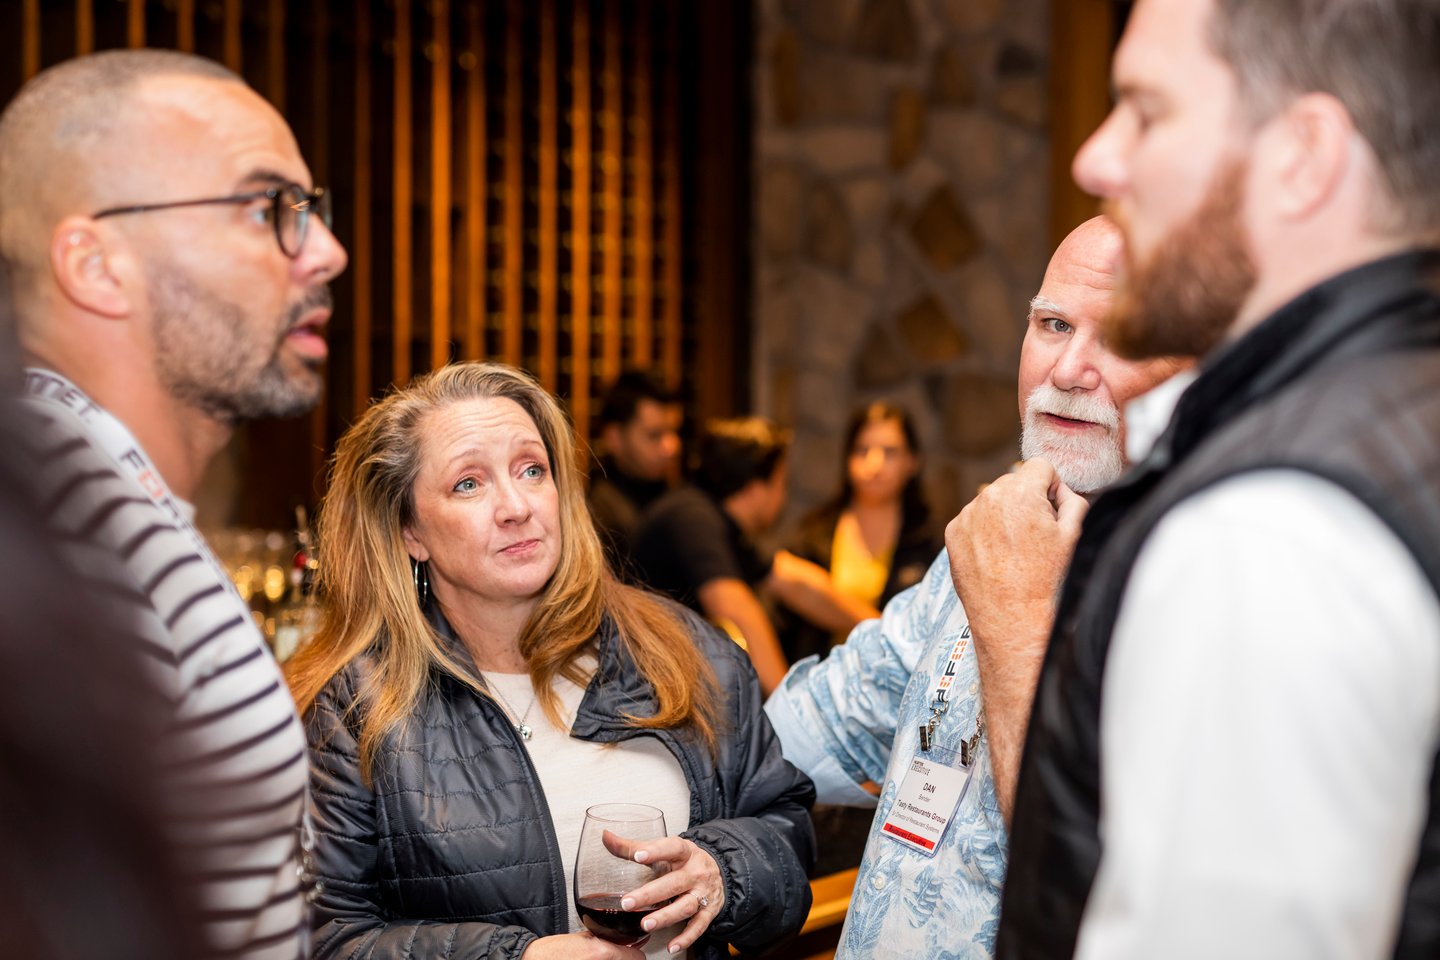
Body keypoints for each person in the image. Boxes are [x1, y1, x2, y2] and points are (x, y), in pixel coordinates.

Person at [961, 3, 1440, 959]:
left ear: (1303, 156)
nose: (1097, 158)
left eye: (1147, 109)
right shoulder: (1396, 410)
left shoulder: (1275, 531)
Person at [284, 362, 815, 960]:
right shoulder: (355, 706)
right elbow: (324, 938)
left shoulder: (683, 649)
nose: (516, 506)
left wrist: (724, 870)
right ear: (411, 532)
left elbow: (784, 827)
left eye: (532, 470)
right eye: (469, 483)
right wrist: (519, 959)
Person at [0, 49, 348, 960]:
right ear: (97, 264)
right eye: (268, 207)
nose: (327, 251)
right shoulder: (61, 543)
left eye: (312, 210)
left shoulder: (109, 506)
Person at [765, 216, 1184, 959]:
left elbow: (1119, 906)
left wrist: (1018, 621)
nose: (1066, 370)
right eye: (1052, 324)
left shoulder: (1210, 592)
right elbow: (801, 732)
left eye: (1119, 338)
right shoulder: (996, 538)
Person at [632, 417, 881, 694]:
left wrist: (882, 626)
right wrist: (789, 711)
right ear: (755, 488)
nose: (783, 495)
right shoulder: (692, 518)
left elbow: (798, 584)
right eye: (780, 482)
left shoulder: (717, 520)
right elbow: (736, 608)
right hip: (641, 690)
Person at [780, 401, 939, 665]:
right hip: (821, 679)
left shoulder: (929, 540)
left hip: (898, 684)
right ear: (847, 459)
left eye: (889, 452)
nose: (874, 464)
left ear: (912, 462)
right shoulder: (815, 532)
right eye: (862, 450)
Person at [588, 370, 683, 572]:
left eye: (674, 432)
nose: (671, 446)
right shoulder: (598, 514)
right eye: (654, 435)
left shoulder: (675, 492)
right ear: (614, 438)